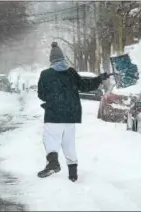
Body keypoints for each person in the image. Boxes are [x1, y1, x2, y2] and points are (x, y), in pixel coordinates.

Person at [37, 42, 109, 182]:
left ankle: (53, 162)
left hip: (53, 114)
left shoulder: (45, 74)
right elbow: (85, 86)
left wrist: (52, 98)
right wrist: (99, 78)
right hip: (71, 114)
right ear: (63, 58)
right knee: (69, 144)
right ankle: (73, 176)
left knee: (50, 138)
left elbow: (41, 94)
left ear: (51, 60)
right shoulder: (71, 73)